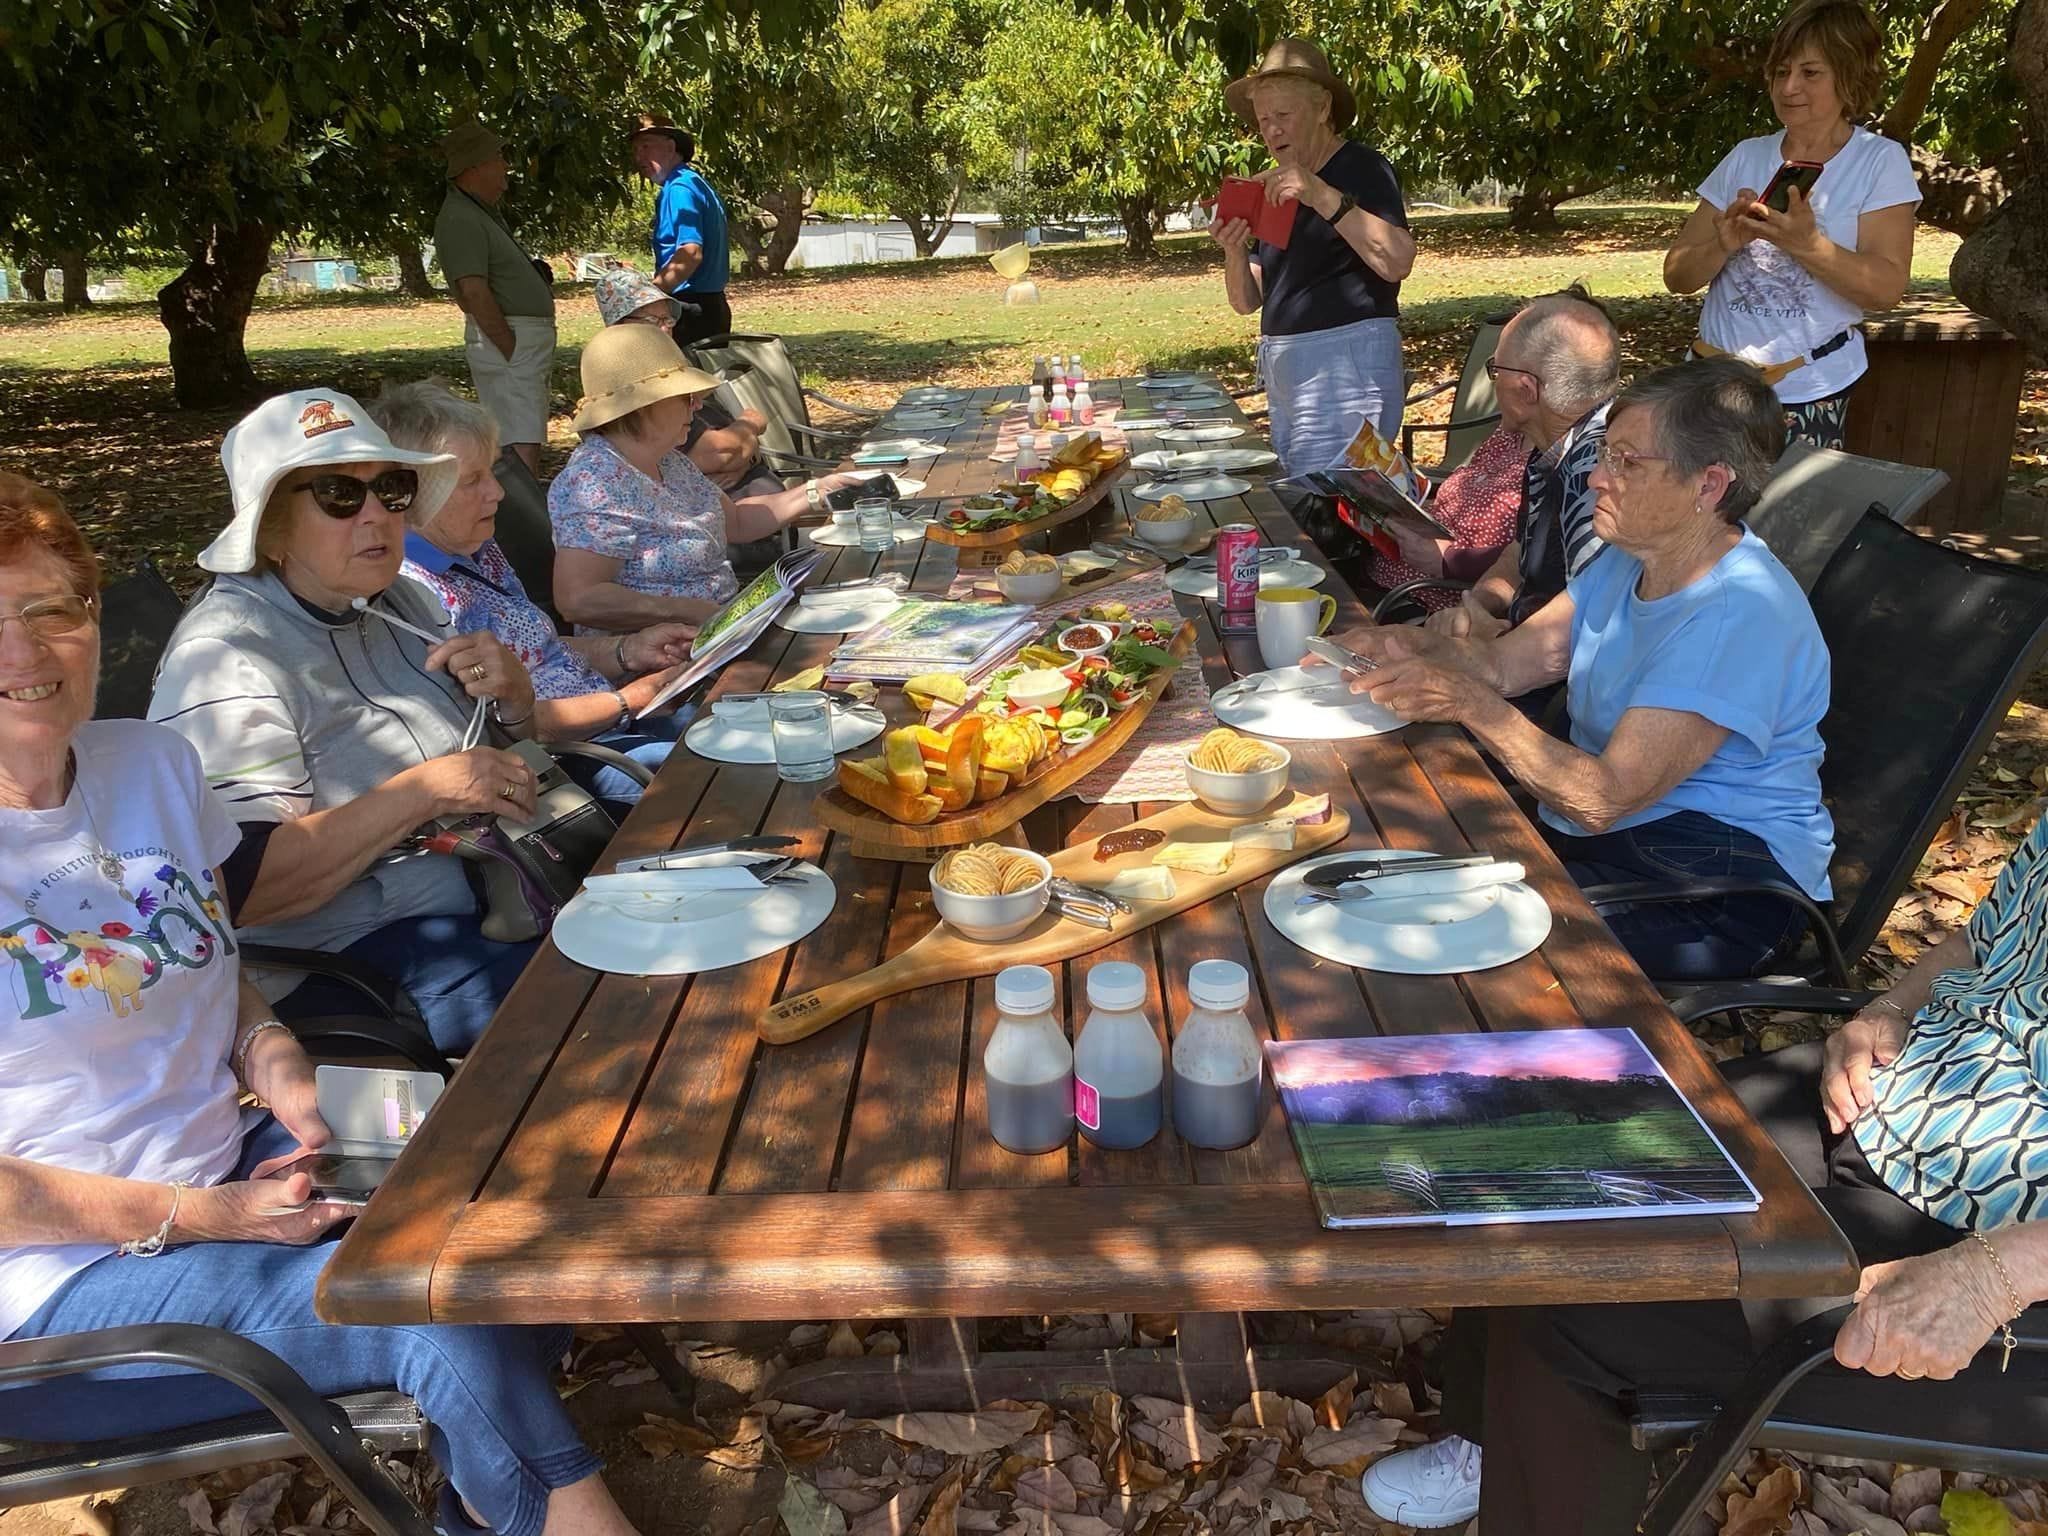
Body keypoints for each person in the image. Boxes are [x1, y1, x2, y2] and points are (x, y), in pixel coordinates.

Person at [0, 473, 644, 1536]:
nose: (23, 655)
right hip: (58, 1291)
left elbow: (203, 955)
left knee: (530, 1181)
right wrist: (198, 1218)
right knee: (428, 1313)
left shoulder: (147, 765)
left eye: (46, 610)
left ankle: (487, 1503)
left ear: (91, 619)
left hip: (245, 1157)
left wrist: (265, 1047)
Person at [1360, 820, 2048, 1532]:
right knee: (1551, 1157)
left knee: (1574, 1292)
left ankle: (1538, 1448)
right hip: (1899, 1093)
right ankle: (1491, 1441)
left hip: (1984, 1230)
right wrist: (1891, 1007)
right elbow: (1990, 937)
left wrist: (1991, 1277)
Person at [1326, 360, 1834, 982]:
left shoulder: (1735, 615)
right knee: (1388, 875)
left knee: (1444, 934)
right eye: (1604, 456)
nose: (1596, 478)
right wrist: (1403, 645)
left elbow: (1602, 798)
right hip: (1616, 838)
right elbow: (1505, 664)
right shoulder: (1633, 558)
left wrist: (1473, 707)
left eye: (1625, 462)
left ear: (1708, 486)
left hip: (1718, 890)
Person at [150, 390, 547, 1056]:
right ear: (270, 527)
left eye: (391, 490)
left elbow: (498, 756)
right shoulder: (227, 659)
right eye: (339, 495)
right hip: (355, 960)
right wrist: (425, 790)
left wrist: (514, 698)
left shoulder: (400, 598)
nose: (378, 516)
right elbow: (242, 888)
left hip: (495, 888)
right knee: (605, 993)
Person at [368, 382, 698, 806]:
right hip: (566, 767)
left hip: (611, 729)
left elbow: (535, 651)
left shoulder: (475, 548)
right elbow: (502, 724)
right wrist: (627, 700)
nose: (498, 492)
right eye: (472, 480)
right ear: (409, 494)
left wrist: (628, 651)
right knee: (714, 775)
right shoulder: (418, 595)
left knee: (742, 721)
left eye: (491, 471)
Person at [1664, 0, 1918, 449]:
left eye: (1810, 72)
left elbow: (1885, 290)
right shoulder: (1747, 155)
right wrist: (1722, 245)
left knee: (1790, 520)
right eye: (1781, 72)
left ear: (1850, 74)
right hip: (1708, 384)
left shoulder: (1880, 162)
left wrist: (1808, 244)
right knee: (1697, 517)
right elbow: (1677, 275)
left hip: (1806, 391)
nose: (1789, 87)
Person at [548, 324, 861, 631]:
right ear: (642, 407)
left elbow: (735, 520)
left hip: (725, 627)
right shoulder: (593, 482)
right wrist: (684, 612)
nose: (697, 406)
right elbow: (579, 599)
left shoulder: (669, 460)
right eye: (686, 397)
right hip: (665, 653)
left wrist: (815, 491)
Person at [1211, 38, 1415, 474]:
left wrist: (1321, 194)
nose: (1271, 130)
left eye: (1283, 115)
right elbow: (1247, 301)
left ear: (1323, 109)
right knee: (1309, 509)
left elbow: (1398, 261)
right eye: (1264, 120)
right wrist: (1234, 249)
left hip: (1346, 370)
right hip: (1289, 373)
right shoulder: (1275, 185)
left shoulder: (1362, 167)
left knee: (1342, 509)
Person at [1427, 288, 1620, 641]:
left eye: (1495, 370)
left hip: (1548, 679)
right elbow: (1522, 550)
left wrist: (1490, 647)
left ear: (1527, 390)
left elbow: (1586, 629)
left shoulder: (1596, 475)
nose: (1493, 380)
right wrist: (1479, 606)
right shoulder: (1557, 446)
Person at [433, 120, 558, 475]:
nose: (505, 166)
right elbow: (472, 291)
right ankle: (519, 525)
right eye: (498, 157)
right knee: (518, 438)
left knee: (524, 431)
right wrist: (509, 345)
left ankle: (519, 520)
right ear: (474, 166)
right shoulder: (460, 217)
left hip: (517, 342)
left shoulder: (477, 213)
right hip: (508, 342)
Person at [591, 268, 782, 499]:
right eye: (653, 320)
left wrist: (747, 454)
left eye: (668, 319)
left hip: (748, 505)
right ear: (618, 327)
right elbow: (720, 453)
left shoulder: (673, 366)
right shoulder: (624, 383)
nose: (666, 329)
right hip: (724, 516)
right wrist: (750, 426)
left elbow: (729, 451)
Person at [1360, 426, 1531, 614]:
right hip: (1381, 567)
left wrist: (1450, 562)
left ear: (1528, 395)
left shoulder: (1554, 463)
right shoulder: (1510, 433)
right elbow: (1463, 494)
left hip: (1425, 600)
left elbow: (1537, 554)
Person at [628, 114, 732, 344]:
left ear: (671, 146)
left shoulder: (679, 189)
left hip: (690, 310)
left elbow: (690, 253)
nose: (639, 157)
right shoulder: (695, 182)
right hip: (711, 307)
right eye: (636, 150)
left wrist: (649, 298)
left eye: (646, 147)